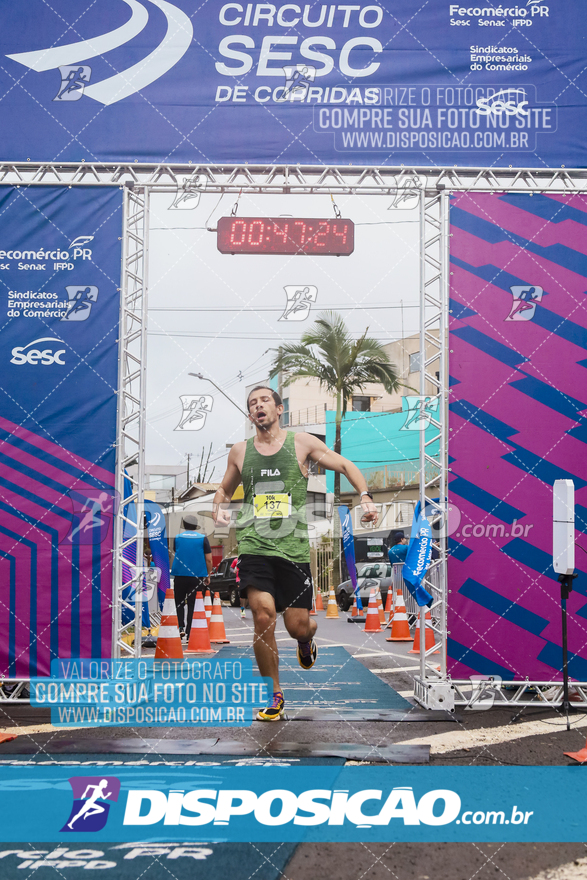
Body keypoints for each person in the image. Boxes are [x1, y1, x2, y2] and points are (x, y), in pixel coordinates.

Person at [213, 385, 378, 722]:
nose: (258, 407)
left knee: (298, 626)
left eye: (264, 402)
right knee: (262, 615)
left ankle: (306, 643)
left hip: (292, 549)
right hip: (254, 545)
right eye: (252, 404)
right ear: (250, 415)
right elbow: (223, 489)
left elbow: (344, 465)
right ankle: (273, 693)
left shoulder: (301, 443)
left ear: (278, 410)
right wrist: (218, 508)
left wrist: (365, 496)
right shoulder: (240, 451)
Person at [171, 514, 213, 639]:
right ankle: (190, 632)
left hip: (180, 575)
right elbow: (209, 559)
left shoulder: (177, 538)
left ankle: (180, 628)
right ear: (196, 525)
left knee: (179, 602)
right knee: (192, 604)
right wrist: (208, 575)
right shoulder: (203, 539)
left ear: (184, 525)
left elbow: (176, 551)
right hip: (197, 576)